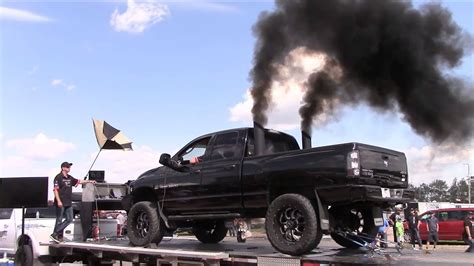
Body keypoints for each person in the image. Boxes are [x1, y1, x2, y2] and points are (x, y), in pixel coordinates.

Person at [50, 162, 96, 243]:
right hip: (61, 202)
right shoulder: (58, 177)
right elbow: (55, 190)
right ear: (63, 168)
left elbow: (79, 181)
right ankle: (57, 236)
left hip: (68, 202)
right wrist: (59, 201)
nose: (69, 169)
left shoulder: (69, 177)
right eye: (67, 167)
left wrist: (90, 181)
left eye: (69, 167)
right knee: (59, 219)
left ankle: (55, 233)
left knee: (70, 219)